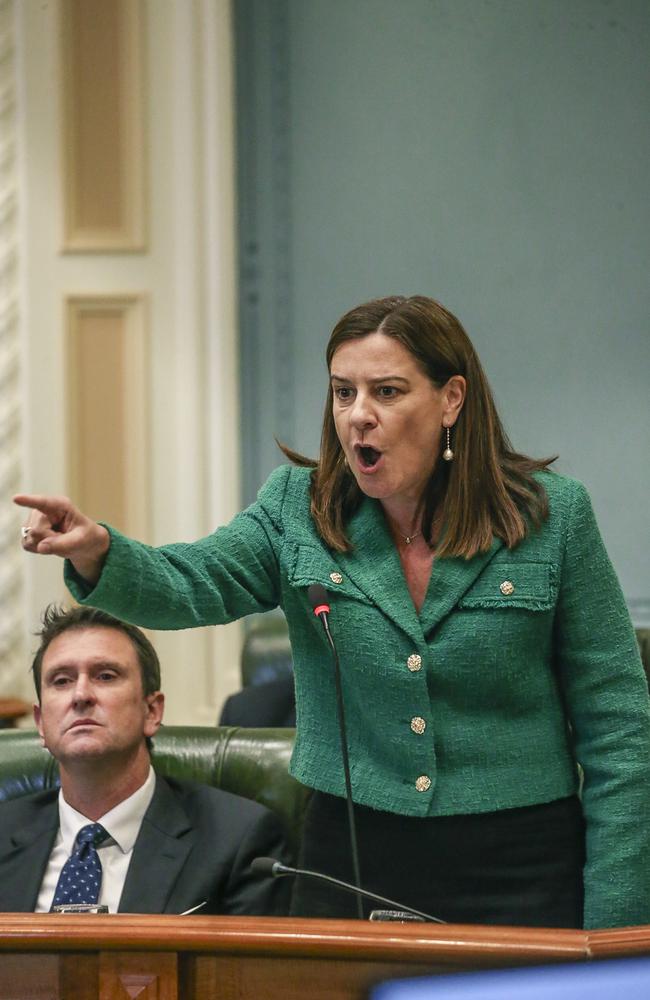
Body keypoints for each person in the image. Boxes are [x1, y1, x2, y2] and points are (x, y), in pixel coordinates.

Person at [15, 295, 650, 929]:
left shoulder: (551, 517)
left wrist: (619, 921)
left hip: (524, 861)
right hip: (350, 857)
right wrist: (101, 553)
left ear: (451, 399)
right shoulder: (299, 509)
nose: (359, 417)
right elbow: (192, 582)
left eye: (388, 392)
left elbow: (620, 727)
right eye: (343, 393)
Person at [0, 605, 289, 914]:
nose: (81, 694)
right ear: (41, 723)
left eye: (105, 676)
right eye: (61, 681)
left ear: (152, 711)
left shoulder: (238, 841)